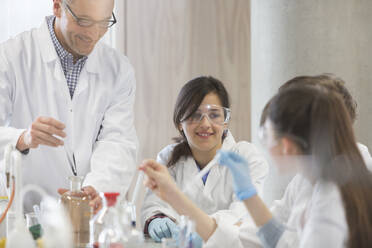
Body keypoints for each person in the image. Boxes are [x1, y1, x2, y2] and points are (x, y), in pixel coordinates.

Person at [140, 81, 372, 247]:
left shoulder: (338, 190)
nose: (205, 124)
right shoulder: (308, 178)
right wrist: (248, 195)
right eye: (194, 115)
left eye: (267, 136)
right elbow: (267, 235)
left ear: (287, 144)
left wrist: (176, 201)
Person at [0, 0, 138, 211]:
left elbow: (117, 140)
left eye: (103, 22)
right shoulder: (10, 57)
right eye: (84, 21)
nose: (93, 34)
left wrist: (97, 188)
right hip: (27, 214)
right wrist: (21, 138)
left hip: (88, 216)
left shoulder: (118, 69)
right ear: (57, 6)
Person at [141, 76, 268, 243]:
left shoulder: (246, 156)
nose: (205, 124)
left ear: (225, 121)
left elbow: (241, 215)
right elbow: (155, 204)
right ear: (180, 122)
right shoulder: (168, 157)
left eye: (214, 115)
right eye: (195, 115)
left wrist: (194, 229)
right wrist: (157, 219)